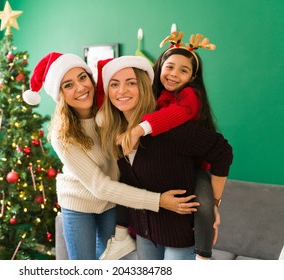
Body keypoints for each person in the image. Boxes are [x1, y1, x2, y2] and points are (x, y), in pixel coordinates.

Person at [22, 52, 199, 260]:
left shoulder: (113, 111)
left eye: (82, 77)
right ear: (60, 94)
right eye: (68, 85)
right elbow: (99, 186)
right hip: (79, 202)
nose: (80, 88)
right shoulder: (62, 135)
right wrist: (158, 200)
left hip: (112, 202)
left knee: (110, 263)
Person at [99, 30, 222, 260]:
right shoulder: (149, 104)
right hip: (147, 233)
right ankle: (121, 234)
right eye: (170, 67)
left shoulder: (188, 99)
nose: (174, 74)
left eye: (183, 70)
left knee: (204, 203)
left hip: (197, 169)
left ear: (192, 77)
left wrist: (216, 202)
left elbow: (179, 117)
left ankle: (204, 255)